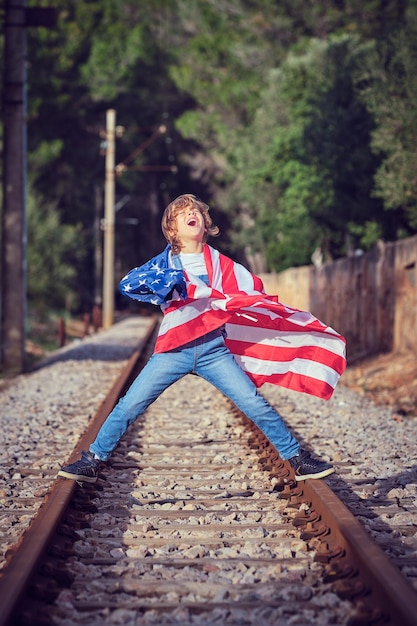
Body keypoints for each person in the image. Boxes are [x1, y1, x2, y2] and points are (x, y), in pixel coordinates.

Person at [58, 194, 346, 484]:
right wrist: (168, 285)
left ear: (206, 224)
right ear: (171, 229)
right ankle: (93, 460)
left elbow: (251, 291)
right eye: (183, 213)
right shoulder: (164, 264)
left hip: (213, 350)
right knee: (130, 405)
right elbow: (129, 283)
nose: (191, 214)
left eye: (195, 211)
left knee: (253, 402)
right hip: (173, 350)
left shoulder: (222, 264)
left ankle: (297, 459)